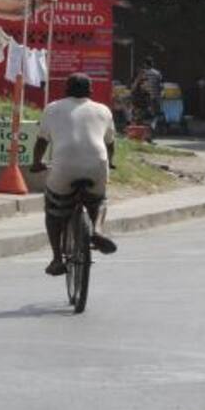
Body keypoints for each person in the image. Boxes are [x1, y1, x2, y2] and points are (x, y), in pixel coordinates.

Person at [30, 73, 118, 276]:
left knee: (53, 210)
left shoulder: (52, 108)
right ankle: (97, 230)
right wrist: (111, 163)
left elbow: (42, 141)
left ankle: (56, 259)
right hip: (97, 165)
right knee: (100, 200)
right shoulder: (103, 110)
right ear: (91, 91)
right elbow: (110, 144)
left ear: (66, 90)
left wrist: (36, 163)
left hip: (63, 168)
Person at [131, 57, 163, 122]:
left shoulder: (142, 73)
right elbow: (160, 86)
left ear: (145, 64)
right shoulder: (157, 73)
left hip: (144, 99)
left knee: (143, 114)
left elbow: (135, 86)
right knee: (155, 114)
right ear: (152, 63)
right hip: (155, 98)